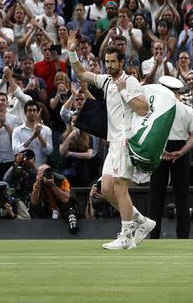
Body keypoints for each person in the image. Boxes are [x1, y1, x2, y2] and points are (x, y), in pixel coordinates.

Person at [66, 30, 153, 249]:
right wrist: (71, 51)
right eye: (107, 62)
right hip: (113, 143)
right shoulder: (105, 81)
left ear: (122, 62)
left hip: (126, 141)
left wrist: (125, 92)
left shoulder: (130, 81)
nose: (109, 65)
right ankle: (141, 221)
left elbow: (143, 109)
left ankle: (126, 237)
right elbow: (82, 73)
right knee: (106, 190)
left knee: (120, 188)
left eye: (113, 62)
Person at [149, 76, 193, 240]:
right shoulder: (186, 109)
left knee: (157, 196)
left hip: (162, 151)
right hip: (177, 151)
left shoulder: (154, 110)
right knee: (181, 197)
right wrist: (182, 151)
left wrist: (164, 150)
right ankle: (183, 236)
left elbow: (149, 132)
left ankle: (154, 235)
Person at [29, 163, 79, 234]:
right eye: (41, 174)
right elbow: (34, 202)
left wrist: (53, 185)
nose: (45, 175)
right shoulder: (38, 183)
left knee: (71, 210)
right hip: (50, 210)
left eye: (47, 172)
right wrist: (37, 185)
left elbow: (65, 199)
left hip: (65, 208)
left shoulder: (61, 179)